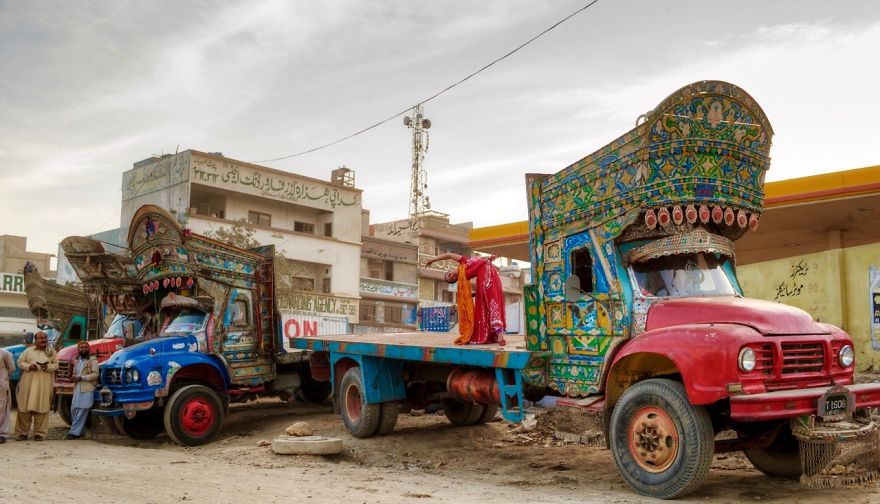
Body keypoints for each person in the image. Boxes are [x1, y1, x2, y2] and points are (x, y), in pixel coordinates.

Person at [425, 253, 506, 346]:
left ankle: (499, 334)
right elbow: (478, 264)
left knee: (492, 307)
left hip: (491, 275)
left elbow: (449, 255)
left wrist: (433, 260)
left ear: (450, 270)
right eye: (451, 279)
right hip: (486, 280)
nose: (451, 277)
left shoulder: (463, 262)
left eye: (449, 275)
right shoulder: (464, 277)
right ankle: (498, 334)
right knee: (490, 308)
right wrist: (475, 294)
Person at [14, 331, 58, 441]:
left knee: (42, 407)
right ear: (36, 340)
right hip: (27, 384)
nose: (43, 340)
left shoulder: (51, 352)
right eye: (41, 338)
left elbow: (56, 364)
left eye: (45, 338)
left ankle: (39, 433)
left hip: (44, 385)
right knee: (24, 408)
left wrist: (47, 367)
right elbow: (20, 362)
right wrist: (29, 366)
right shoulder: (28, 351)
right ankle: (22, 433)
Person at [66, 341, 98, 440]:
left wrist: (81, 378)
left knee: (82, 410)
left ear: (88, 349)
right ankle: (80, 431)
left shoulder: (93, 360)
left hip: (87, 388)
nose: (84, 349)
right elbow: (75, 374)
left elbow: (95, 374)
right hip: (77, 388)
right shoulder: (78, 361)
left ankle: (74, 433)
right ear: (78, 350)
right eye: (82, 347)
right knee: (74, 410)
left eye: (86, 347)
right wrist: (72, 377)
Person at [0, 347, 15, 443]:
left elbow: (12, 368)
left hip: (1, 385)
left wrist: (4, 378)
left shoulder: (4, 353)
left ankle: (2, 434)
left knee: (2, 409)